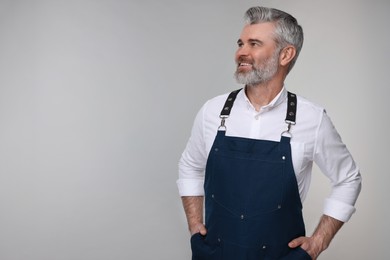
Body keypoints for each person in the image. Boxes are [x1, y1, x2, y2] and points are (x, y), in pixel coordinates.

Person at [177, 6, 361, 260]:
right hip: (215, 254)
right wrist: (195, 223)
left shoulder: (312, 118)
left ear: (285, 54)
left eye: (254, 44)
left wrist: (319, 241)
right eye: (240, 43)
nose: (241, 52)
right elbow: (190, 166)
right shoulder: (213, 111)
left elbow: (348, 179)